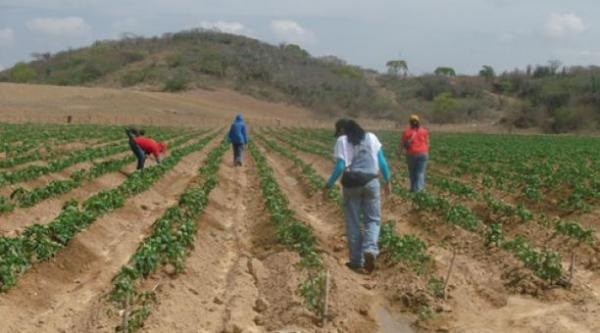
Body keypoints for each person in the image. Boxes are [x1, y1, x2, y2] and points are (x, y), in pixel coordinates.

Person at [324, 119, 392, 273]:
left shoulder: (342, 140)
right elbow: (382, 162)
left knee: (353, 222)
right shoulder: (372, 137)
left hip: (352, 184)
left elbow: (341, 166)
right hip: (371, 182)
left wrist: (328, 185)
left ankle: (356, 261)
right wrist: (387, 180)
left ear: (342, 130)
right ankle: (370, 249)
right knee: (373, 220)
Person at [400, 114, 429, 192]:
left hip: (411, 154)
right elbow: (427, 142)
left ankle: (413, 188)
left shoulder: (406, 132)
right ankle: (419, 190)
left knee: (412, 172)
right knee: (420, 172)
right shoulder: (424, 131)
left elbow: (402, 143)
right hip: (423, 153)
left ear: (410, 122)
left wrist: (399, 152)